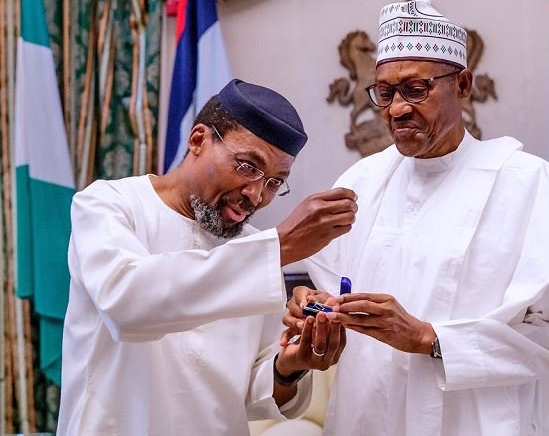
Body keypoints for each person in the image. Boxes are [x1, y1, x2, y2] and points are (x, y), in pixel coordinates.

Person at [285, 0, 549, 435]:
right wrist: (319, 310)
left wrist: (431, 339)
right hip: (370, 419)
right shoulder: (360, 184)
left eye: (416, 89)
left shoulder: (527, 185)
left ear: (463, 84)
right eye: (384, 93)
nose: (396, 109)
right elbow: (340, 300)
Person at [58, 79, 356, 436]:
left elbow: (252, 392)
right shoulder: (108, 205)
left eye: (275, 182)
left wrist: (290, 365)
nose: (256, 195)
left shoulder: (256, 249)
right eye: (248, 166)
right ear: (198, 139)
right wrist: (281, 247)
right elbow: (126, 304)